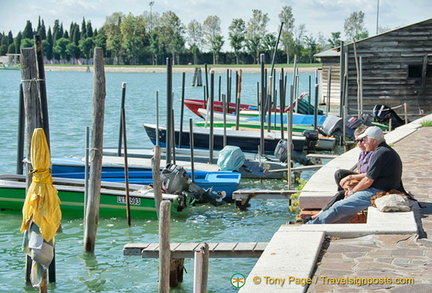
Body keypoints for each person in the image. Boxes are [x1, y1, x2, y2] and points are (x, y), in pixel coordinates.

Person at [306, 126, 403, 224]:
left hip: (378, 191)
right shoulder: (384, 151)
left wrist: (352, 192)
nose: (363, 143)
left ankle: (311, 225)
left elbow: (368, 180)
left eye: (365, 140)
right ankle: (325, 226)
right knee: (342, 207)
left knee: (339, 206)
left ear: (373, 140)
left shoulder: (381, 153)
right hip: (380, 189)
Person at [306, 125, 373, 221]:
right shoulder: (362, 153)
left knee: (340, 194)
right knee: (340, 174)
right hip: (362, 179)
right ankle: (345, 194)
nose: (359, 144)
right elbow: (359, 170)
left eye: (361, 141)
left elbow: (370, 174)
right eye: (356, 141)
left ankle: (318, 215)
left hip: (369, 182)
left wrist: (350, 177)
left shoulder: (373, 153)